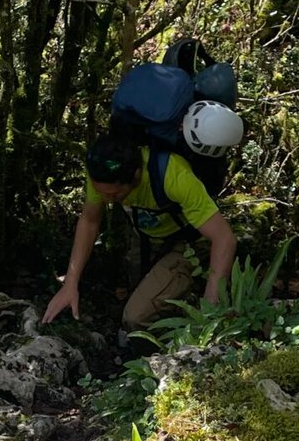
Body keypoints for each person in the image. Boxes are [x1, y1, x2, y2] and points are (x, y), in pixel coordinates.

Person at [42, 106, 239, 333]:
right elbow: (89, 220)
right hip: (145, 239)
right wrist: (70, 283)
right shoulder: (100, 170)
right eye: (102, 193)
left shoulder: (173, 176)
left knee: (136, 317)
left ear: (135, 176)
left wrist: (211, 308)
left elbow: (224, 239)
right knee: (136, 299)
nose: (107, 199)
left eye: (114, 195)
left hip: (187, 244)